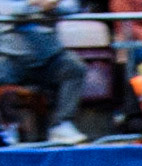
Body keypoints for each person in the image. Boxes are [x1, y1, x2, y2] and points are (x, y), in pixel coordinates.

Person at [0, 0, 86, 145]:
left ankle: (61, 124)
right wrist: (35, 4)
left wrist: (55, 5)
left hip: (50, 58)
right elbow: (6, 8)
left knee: (74, 67)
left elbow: (73, 6)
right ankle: (6, 129)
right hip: (11, 58)